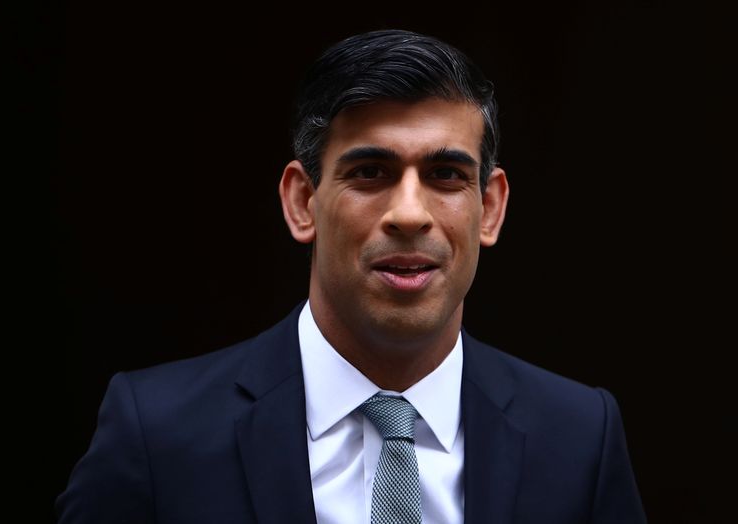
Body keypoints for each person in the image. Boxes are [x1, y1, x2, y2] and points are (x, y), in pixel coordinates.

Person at [56, 29, 646, 523]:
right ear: (302, 202)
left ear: (489, 207)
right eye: (369, 172)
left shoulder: (578, 440)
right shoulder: (159, 435)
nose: (410, 213)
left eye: (445, 174)